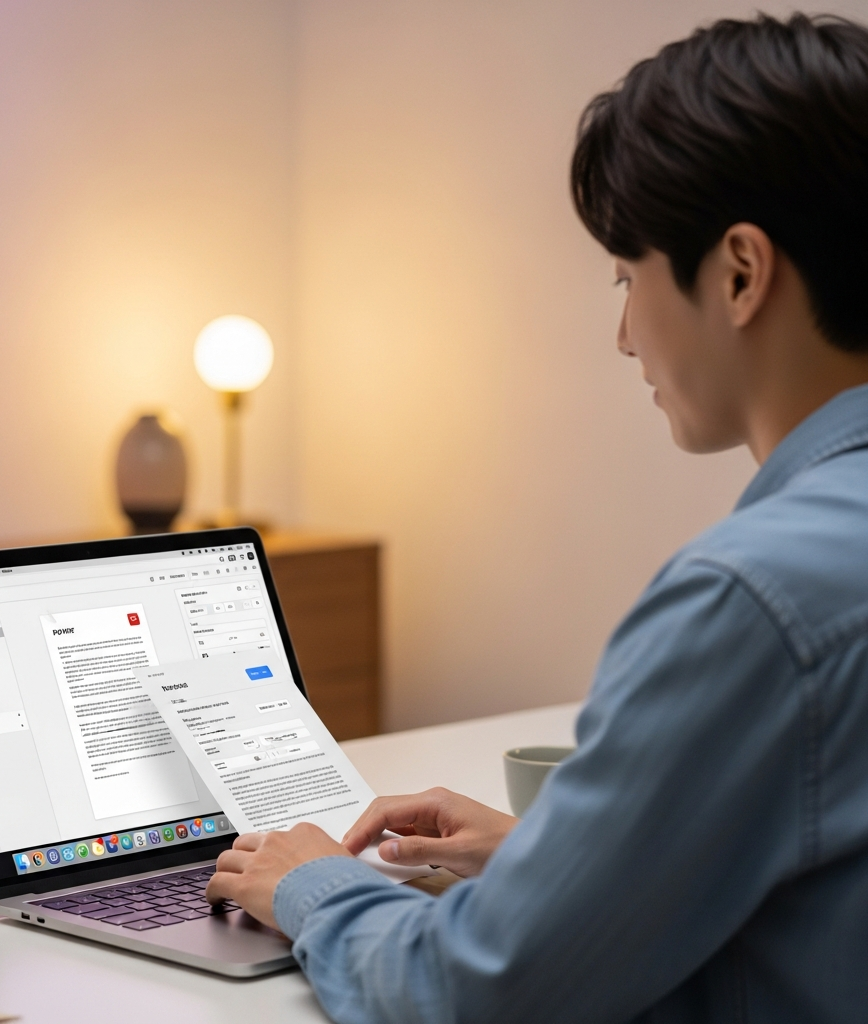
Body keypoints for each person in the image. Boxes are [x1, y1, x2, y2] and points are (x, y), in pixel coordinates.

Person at [206, 14, 868, 1022]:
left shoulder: (756, 599)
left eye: (625, 277)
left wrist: (309, 884)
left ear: (739, 272)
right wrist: (567, 866)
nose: (621, 334)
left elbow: (472, 992)